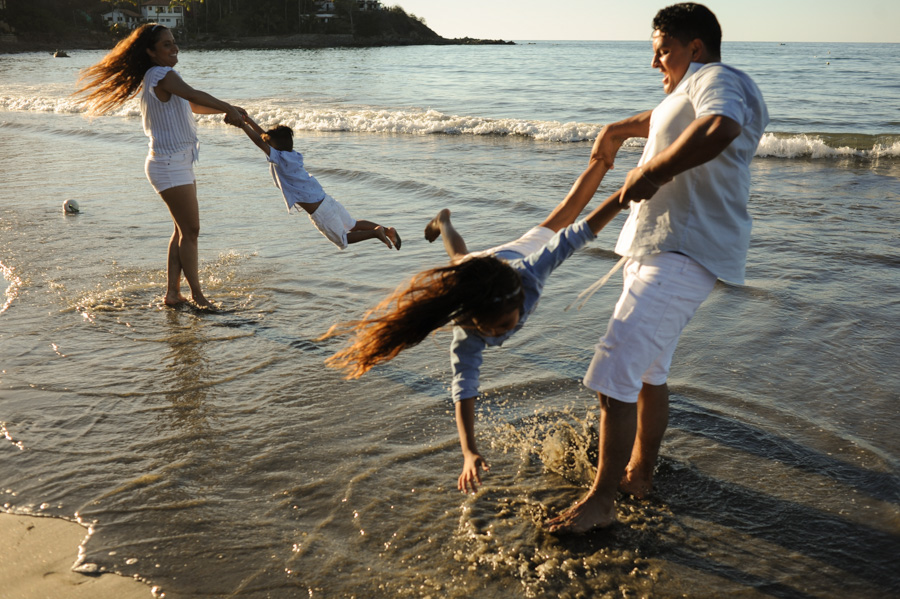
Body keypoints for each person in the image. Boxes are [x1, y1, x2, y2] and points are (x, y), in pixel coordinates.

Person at [546, 3, 769, 534]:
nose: (655, 64)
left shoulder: (719, 78)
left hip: (684, 250)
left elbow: (721, 124)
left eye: (662, 50)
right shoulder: (688, 90)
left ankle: (601, 501)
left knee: (614, 369)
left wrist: (652, 171)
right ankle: (638, 474)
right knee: (648, 373)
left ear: (695, 48)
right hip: (658, 247)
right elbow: (671, 115)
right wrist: (621, 127)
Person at [325, 151, 626, 494]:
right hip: (479, 277)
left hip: (510, 261)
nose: (500, 333)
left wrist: (622, 197)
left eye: (503, 325)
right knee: (460, 261)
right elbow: (463, 390)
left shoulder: (532, 270)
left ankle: (603, 159)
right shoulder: (468, 332)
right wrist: (469, 451)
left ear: (520, 302)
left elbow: (578, 232)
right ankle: (444, 221)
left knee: (564, 214)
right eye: (491, 329)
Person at [75, 23, 245, 309]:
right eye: (166, 44)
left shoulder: (160, 76)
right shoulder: (161, 74)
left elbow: (192, 105)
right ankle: (197, 296)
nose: (174, 47)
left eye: (174, 42)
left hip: (175, 162)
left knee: (182, 232)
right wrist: (227, 106)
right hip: (168, 164)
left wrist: (228, 110)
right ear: (151, 52)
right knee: (190, 232)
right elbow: (193, 94)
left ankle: (172, 293)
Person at [236, 115, 401, 250]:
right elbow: (265, 138)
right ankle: (388, 230)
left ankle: (376, 232)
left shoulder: (279, 158)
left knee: (343, 239)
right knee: (353, 224)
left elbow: (259, 141)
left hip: (320, 212)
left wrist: (243, 125)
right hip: (326, 200)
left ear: (273, 147)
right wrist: (248, 120)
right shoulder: (293, 155)